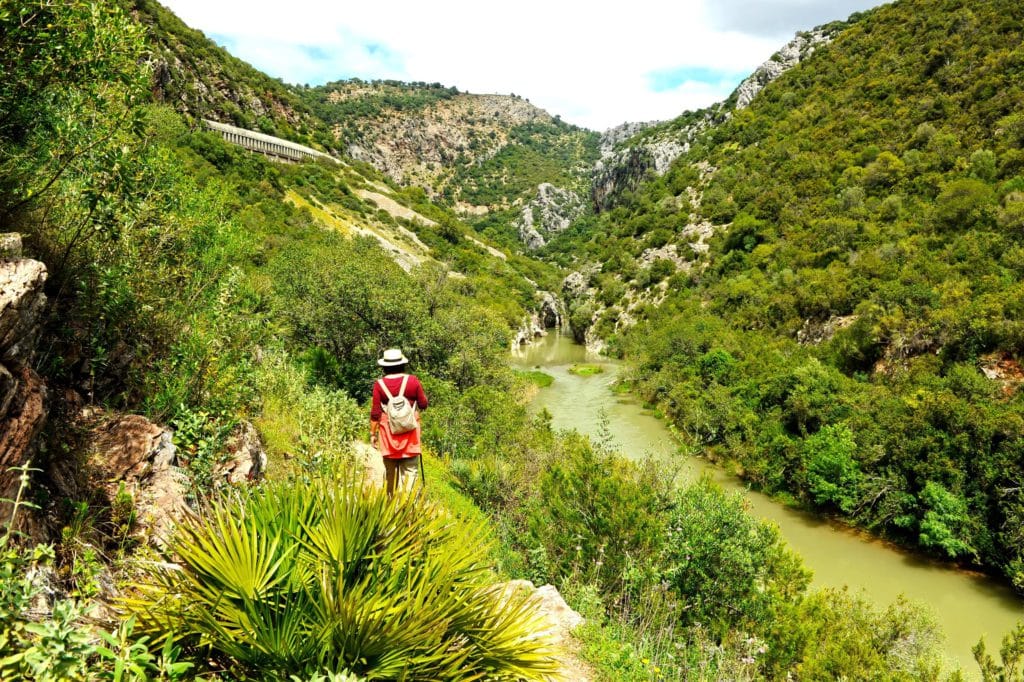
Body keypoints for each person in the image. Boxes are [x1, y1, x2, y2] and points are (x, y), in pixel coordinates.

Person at [370, 348, 428, 496]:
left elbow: (375, 413)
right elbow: (423, 404)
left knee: (390, 476)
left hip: (388, 437)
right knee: (410, 475)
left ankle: (389, 510)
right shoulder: (412, 381)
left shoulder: (379, 385)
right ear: (402, 364)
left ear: (385, 367)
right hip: (410, 438)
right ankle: (407, 511)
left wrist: (372, 434)